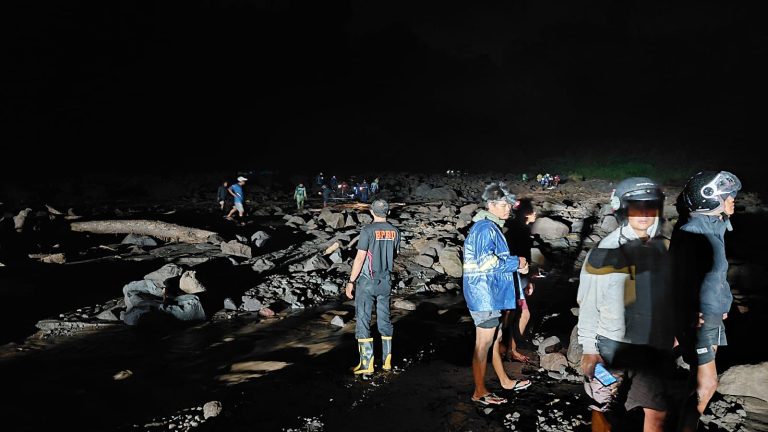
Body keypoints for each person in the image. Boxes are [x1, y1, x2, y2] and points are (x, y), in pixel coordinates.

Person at [577, 177, 676, 432]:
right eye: (635, 206)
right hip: (612, 346)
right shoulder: (604, 251)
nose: (644, 213)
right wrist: (589, 349)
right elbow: (588, 304)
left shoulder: (665, 249)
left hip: (651, 347)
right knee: (603, 412)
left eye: (650, 205)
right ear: (621, 208)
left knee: (657, 412)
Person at [671, 171, 742, 432]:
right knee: (707, 384)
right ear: (709, 200)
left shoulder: (707, 226)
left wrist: (723, 307)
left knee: (696, 379)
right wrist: (691, 315)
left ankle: (682, 422)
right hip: (702, 317)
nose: (733, 200)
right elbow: (682, 279)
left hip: (710, 314)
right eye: (728, 196)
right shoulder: (694, 234)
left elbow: (715, 278)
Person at [463, 182, 532, 406]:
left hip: (489, 293)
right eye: (503, 205)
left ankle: (504, 381)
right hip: (484, 295)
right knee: (483, 343)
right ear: (491, 204)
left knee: (496, 339)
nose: (508, 209)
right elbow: (487, 262)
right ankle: (479, 392)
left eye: (509, 205)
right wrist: (517, 262)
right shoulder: (485, 228)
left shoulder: (491, 227)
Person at [345, 199, 400, 375]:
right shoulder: (395, 231)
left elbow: (360, 258)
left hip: (367, 281)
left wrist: (351, 281)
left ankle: (366, 364)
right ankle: (386, 361)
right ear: (388, 212)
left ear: (371, 212)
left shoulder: (367, 230)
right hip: (385, 281)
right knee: (385, 319)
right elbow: (395, 254)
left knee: (363, 319)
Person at [500, 198, 537, 363]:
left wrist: (528, 279)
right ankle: (506, 348)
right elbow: (520, 258)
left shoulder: (516, 230)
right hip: (513, 278)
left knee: (514, 314)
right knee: (515, 314)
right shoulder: (520, 232)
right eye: (532, 211)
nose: (535, 213)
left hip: (516, 278)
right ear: (526, 214)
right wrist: (526, 278)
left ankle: (506, 348)